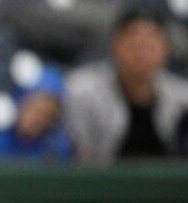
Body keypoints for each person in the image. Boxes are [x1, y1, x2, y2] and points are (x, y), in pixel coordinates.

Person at [65, 9, 188, 162]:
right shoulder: (82, 91)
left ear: (165, 49)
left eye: (149, 45)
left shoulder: (183, 97)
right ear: (114, 45)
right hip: (103, 175)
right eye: (134, 44)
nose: (141, 53)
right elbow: (80, 157)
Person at [0, 65, 73, 160]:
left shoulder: (57, 149)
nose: (36, 119)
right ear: (19, 103)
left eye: (45, 114)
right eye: (33, 108)